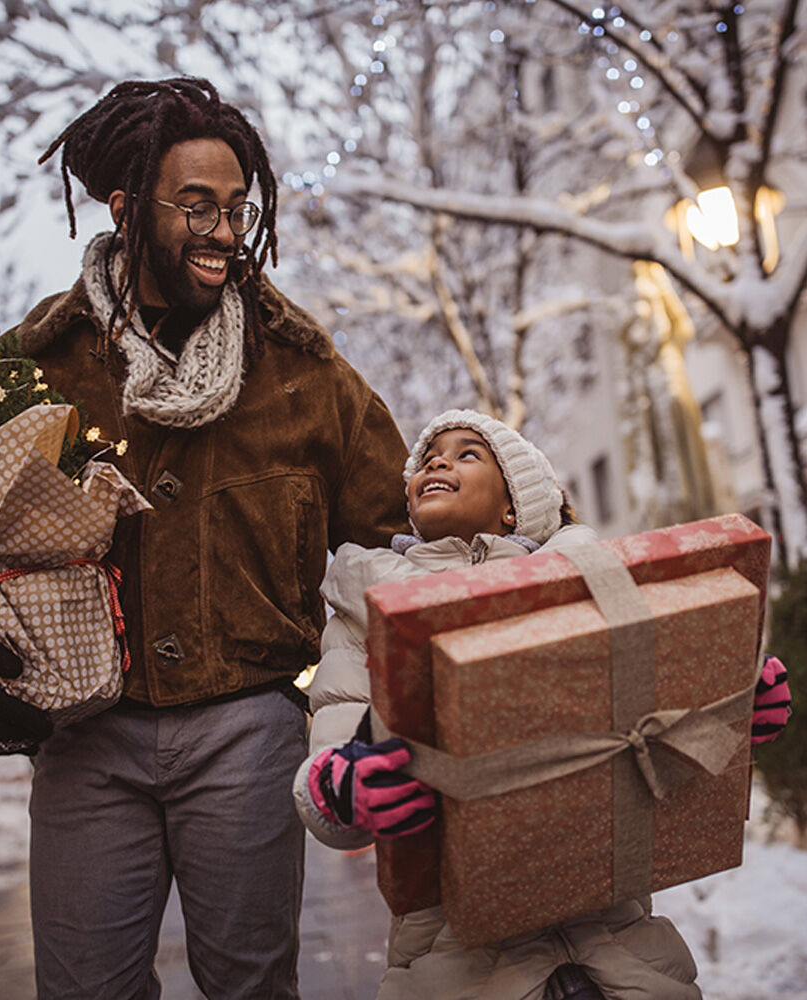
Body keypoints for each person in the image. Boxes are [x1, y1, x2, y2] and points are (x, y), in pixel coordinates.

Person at [0, 77, 410, 999]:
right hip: (86, 740)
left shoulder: (303, 372)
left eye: (238, 209)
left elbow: (413, 540)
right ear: (128, 207)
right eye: (198, 206)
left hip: (250, 729)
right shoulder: (36, 369)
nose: (224, 231)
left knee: (251, 987)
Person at [293, 408, 790, 1000]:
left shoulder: (600, 588)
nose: (437, 461)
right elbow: (330, 760)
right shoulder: (363, 614)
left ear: (514, 506)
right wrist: (339, 791)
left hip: (619, 943)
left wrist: (727, 713)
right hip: (454, 959)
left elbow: (653, 743)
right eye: (428, 457)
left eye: (467, 453)